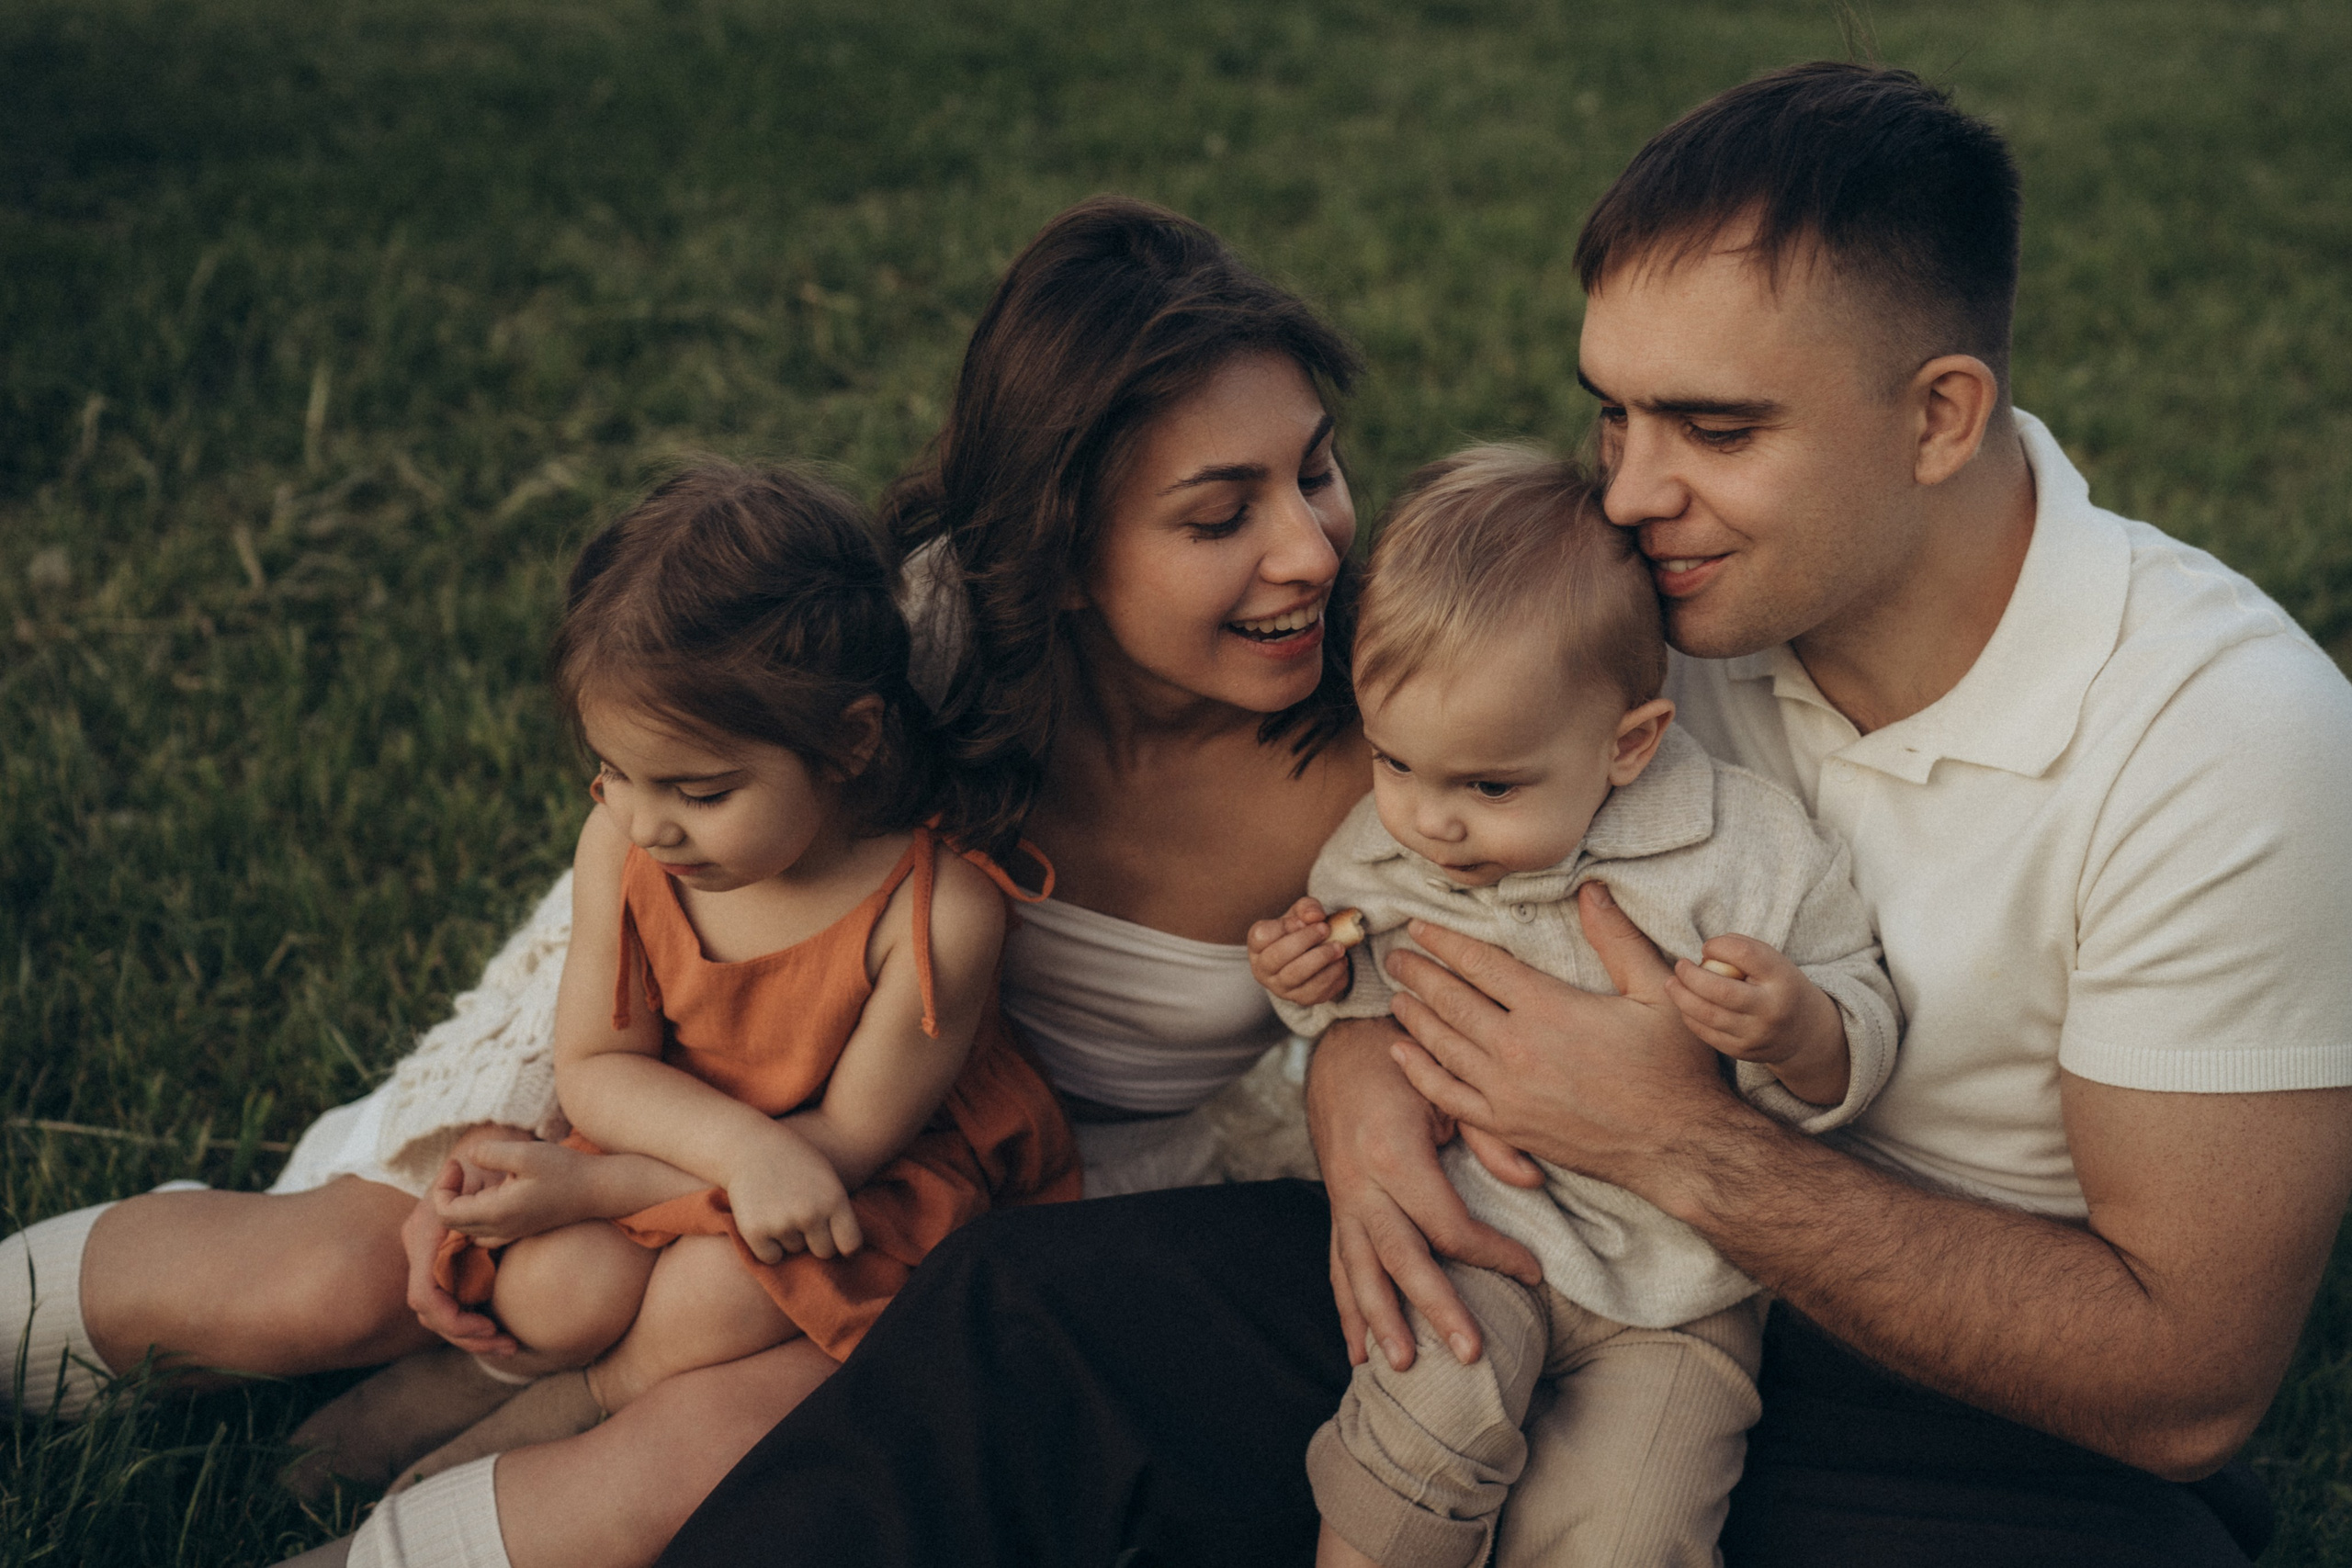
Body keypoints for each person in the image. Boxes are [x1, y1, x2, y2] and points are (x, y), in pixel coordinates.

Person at [659, 62, 2352, 1568]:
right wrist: (1359, 1074)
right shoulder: (1648, 603)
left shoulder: (2219, 741)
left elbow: (2185, 1382)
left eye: (1717, 426)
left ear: (1938, 416)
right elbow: (1419, 867)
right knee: (1027, 1319)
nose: (1625, 489)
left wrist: (1684, 1139)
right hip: (1522, 1248)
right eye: (1614, 410)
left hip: (1951, 1404)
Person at [0, 195, 1372, 1568]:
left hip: (967, 1196)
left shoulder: (1385, 750)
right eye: (1220, 514)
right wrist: (518, 1137)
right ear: (1060, 550)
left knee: (702, 1451)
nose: (1311, 547)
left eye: (1314, 472)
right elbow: (662, 868)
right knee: (338, 1276)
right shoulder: (932, 633)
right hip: (684, 1060)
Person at [340, 460, 1077, 1500]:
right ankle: (456, 1385)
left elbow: (842, 1149)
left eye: (700, 789)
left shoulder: (936, 912)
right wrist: (653, 1166)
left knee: (715, 1300)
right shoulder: (626, 841)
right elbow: (596, 1065)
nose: (649, 822)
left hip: (852, 1168)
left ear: (850, 741)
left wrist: (600, 1186)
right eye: (615, 771)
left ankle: (562, 1424)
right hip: (676, 1125)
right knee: (560, 1287)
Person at [1250, 445, 1898, 1568]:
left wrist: (1802, 1030)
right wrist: (1308, 983)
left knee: (1634, 1522)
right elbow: (1362, 994)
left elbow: (1860, 1002)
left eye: (1488, 786)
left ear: (1629, 744)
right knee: (1427, 1412)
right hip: (1478, 1232)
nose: (1429, 822)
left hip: (1686, 1288)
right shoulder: (1386, 845)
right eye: (1396, 763)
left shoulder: (1743, 852)